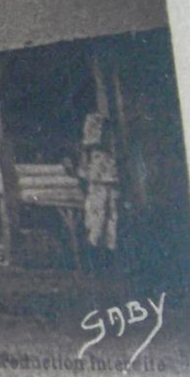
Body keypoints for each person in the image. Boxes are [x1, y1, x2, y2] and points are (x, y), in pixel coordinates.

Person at [78, 112, 120, 274]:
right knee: (97, 222)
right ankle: (97, 259)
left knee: (109, 220)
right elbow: (84, 171)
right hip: (97, 186)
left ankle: (107, 257)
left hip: (108, 185)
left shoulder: (107, 152)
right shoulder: (91, 152)